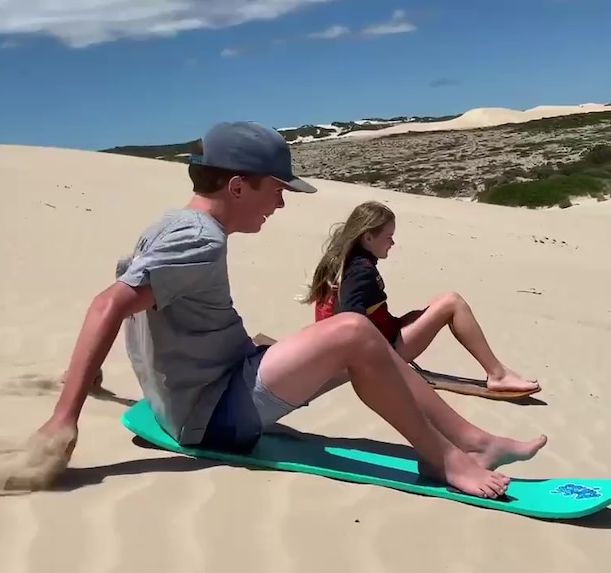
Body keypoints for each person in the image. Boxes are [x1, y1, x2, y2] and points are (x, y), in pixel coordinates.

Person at [31, 121, 547, 499]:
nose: (280, 204)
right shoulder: (199, 239)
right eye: (276, 190)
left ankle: (475, 440)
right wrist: (64, 418)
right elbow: (109, 303)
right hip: (212, 415)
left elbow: (129, 296)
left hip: (206, 391)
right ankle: (445, 459)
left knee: (351, 345)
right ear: (237, 186)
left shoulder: (168, 225)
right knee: (353, 331)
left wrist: (95, 371)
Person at [303, 201, 540, 394]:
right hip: (382, 353)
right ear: (368, 238)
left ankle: (498, 372)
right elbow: (351, 321)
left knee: (439, 303)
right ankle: (497, 375)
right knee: (452, 302)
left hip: (383, 336)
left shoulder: (345, 259)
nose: (393, 242)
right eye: (388, 236)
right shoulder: (360, 270)